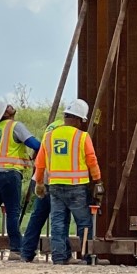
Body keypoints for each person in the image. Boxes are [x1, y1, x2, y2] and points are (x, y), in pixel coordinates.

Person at [34, 98, 103, 265]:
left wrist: (39, 183)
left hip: (55, 187)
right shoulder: (82, 137)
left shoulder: (49, 136)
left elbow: (40, 162)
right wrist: (98, 181)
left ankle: (59, 257)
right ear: (79, 119)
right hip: (77, 187)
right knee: (84, 223)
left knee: (58, 223)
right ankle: (87, 257)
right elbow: (91, 160)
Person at [0, 98, 39, 260]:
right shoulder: (15, 126)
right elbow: (34, 143)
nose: (11, 106)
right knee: (12, 212)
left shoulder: (0, 128)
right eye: (7, 107)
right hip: (8, 174)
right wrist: (45, 148)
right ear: (5, 113)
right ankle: (16, 249)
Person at [19, 115, 68, 263]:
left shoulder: (52, 126)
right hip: (58, 178)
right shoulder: (69, 130)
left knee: (38, 216)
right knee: (60, 218)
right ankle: (61, 254)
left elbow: (41, 152)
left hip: (42, 176)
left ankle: (26, 252)